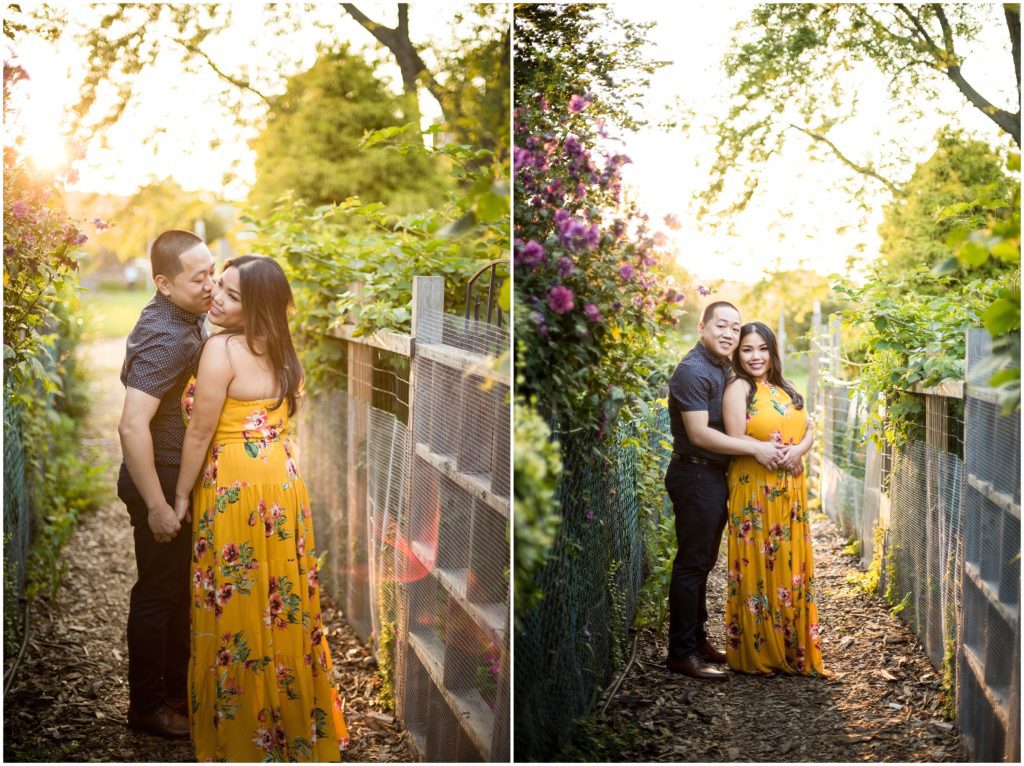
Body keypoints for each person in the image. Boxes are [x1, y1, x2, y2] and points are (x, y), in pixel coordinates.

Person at [173, 255, 349, 761]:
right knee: (282, 597)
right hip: (281, 481)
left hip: (234, 483)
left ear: (257, 308)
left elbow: (201, 432)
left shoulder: (219, 349)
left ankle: (242, 733)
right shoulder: (282, 349)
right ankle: (292, 728)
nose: (217, 298)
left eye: (231, 295)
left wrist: (181, 495)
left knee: (235, 597)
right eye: (218, 287)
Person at [117, 229, 215, 738]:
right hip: (159, 477)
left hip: (175, 475)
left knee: (177, 592)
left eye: (212, 270)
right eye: (199, 277)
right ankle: (146, 708)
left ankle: (177, 693)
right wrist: (158, 505)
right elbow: (132, 425)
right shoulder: (168, 335)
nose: (211, 283)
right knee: (158, 595)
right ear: (163, 283)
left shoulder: (184, 316)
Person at [664, 301, 786, 681]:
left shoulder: (721, 366)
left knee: (702, 563)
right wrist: (755, 447)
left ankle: (697, 641)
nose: (729, 334)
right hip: (695, 475)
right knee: (691, 564)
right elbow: (700, 433)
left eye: (735, 328)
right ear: (702, 327)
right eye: (721, 326)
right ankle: (681, 654)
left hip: (713, 476)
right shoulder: (692, 371)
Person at [722, 321, 824, 675]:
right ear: (737, 353)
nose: (755, 356)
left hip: (789, 488)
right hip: (754, 488)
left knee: (788, 565)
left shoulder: (786, 388)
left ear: (772, 351)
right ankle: (759, 650)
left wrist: (798, 452)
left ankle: (791, 646)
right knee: (757, 564)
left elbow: (810, 430)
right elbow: (736, 437)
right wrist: (766, 450)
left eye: (762, 348)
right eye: (747, 349)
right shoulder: (738, 388)